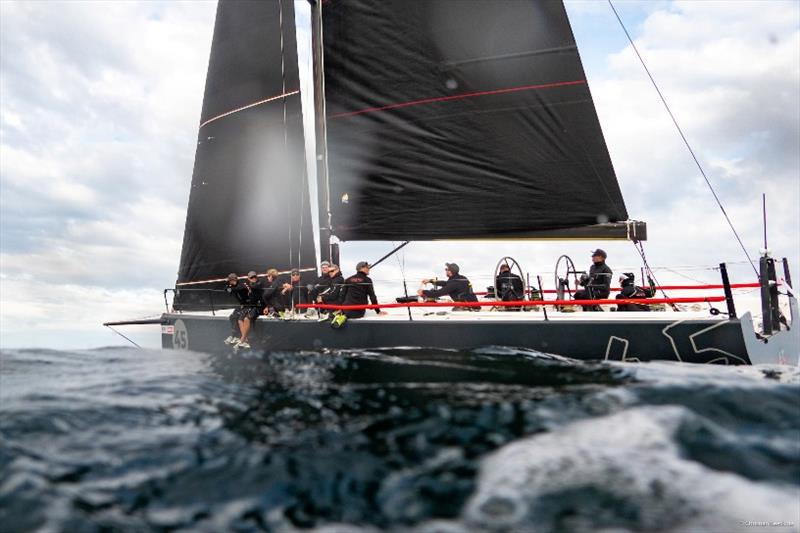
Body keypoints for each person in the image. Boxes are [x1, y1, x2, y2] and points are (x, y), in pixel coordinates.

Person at [226, 270, 262, 349]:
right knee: (234, 317)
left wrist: (230, 287)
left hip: (255, 305)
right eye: (251, 277)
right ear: (249, 278)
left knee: (245, 318)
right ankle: (236, 336)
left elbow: (237, 289)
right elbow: (227, 290)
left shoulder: (246, 284)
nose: (253, 278)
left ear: (236, 279)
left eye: (254, 277)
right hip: (246, 305)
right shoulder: (245, 285)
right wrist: (229, 287)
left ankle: (243, 339)